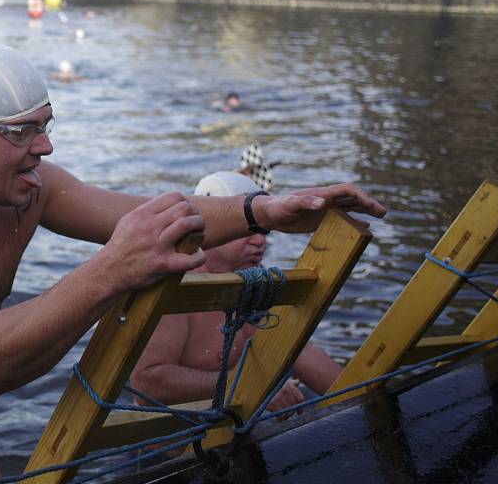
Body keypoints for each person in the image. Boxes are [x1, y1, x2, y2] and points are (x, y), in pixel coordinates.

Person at [0, 44, 385, 484]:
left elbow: (152, 217)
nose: (43, 148)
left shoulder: (30, 192)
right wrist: (109, 271)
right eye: (23, 132)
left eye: (46, 125)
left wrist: (263, 211)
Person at [131, 171, 343, 419]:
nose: (259, 241)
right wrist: (247, 387)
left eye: (263, 229)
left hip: (229, 437)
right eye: (245, 230)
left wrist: (360, 391)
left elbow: (297, 348)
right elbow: (147, 382)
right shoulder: (175, 284)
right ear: (209, 230)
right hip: (170, 451)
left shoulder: (254, 280)